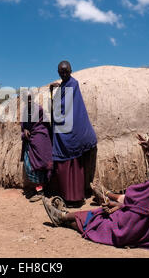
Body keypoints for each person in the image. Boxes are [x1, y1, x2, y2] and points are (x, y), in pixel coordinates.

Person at [42, 132, 149, 251]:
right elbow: (144, 202)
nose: (147, 155)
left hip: (147, 225)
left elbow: (140, 200)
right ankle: (65, 215)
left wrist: (122, 205)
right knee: (102, 213)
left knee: (100, 222)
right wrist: (123, 205)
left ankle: (63, 218)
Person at [49, 61, 98, 207]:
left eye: (66, 71)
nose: (63, 73)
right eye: (61, 71)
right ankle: (66, 197)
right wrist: (53, 92)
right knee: (63, 168)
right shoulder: (63, 86)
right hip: (62, 134)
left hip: (71, 134)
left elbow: (69, 108)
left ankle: (76, 198)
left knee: (75, 167)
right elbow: (57, 107)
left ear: (71, 70)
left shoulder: (73, 84)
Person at [20, 94, 53, 202]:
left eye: (30, 100)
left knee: (42, 165)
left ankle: (42, 191)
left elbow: (43, 125)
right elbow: (23, 126)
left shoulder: (39, 110)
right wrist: (24, 131)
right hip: (29, 141)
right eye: (26, 100)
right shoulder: (25, 111)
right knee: (29, 165)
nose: (29, 102)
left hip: (41, 139)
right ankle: (39, 189)